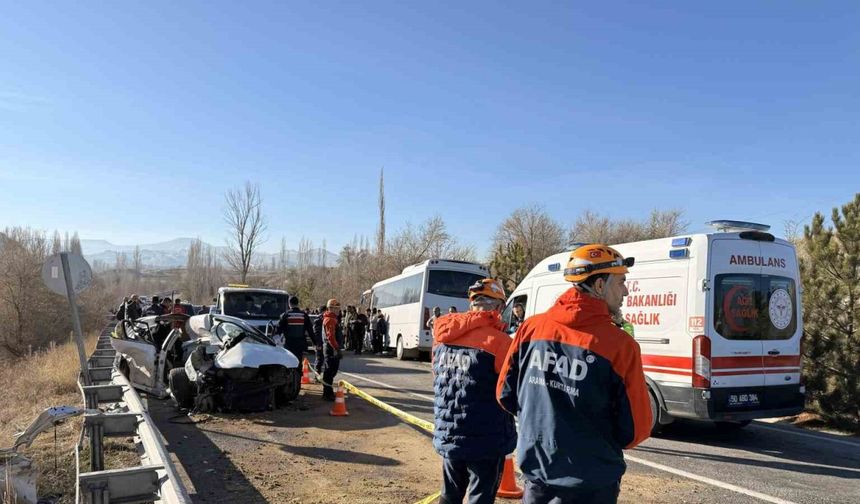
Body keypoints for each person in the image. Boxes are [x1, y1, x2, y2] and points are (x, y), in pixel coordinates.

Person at [497, 244, 652, 504]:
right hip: (592, 484)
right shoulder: (620, 346)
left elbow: (505, 395)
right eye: (621, 282)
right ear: (600, 286)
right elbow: (635, 430)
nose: (625, 291)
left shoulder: (531, 328)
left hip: (538, 475)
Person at [432, 278, 516, 504]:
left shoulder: (443, 336)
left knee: (449, 494)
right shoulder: (501, 343)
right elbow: (510, 391)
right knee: (480, 497)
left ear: (472, 305)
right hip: (486, 437)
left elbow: (437, 376)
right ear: (498, 308)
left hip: (450, 433)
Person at [278, 296, 317, 365]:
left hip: (289, 344)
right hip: (300, 344)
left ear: (289, 304)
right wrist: (316, 343)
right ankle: (298, 375)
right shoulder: (304, 315)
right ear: (297, 303)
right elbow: (310, 331)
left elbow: (278, 330)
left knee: (289, 363)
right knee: (298, 363)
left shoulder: (285, 315)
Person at [321, 299, 344, 401]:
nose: (339, 310)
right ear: (332, 308)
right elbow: (331, 337)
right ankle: (327, 393)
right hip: (331, 348)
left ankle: (328, 391)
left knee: (330, 371)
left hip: (330, 347)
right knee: (330, 371)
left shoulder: (331, 318)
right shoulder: (330, 320)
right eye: (337, 308)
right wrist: (337, 349)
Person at [311, 305, 328, 375]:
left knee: (324, 360)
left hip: (325, 343)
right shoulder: (318, 320)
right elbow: (316, 333)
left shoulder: (325, 318)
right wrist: (317, 344)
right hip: (320, 343)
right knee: (319, 360)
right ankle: (317, 376)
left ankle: (321, 376)